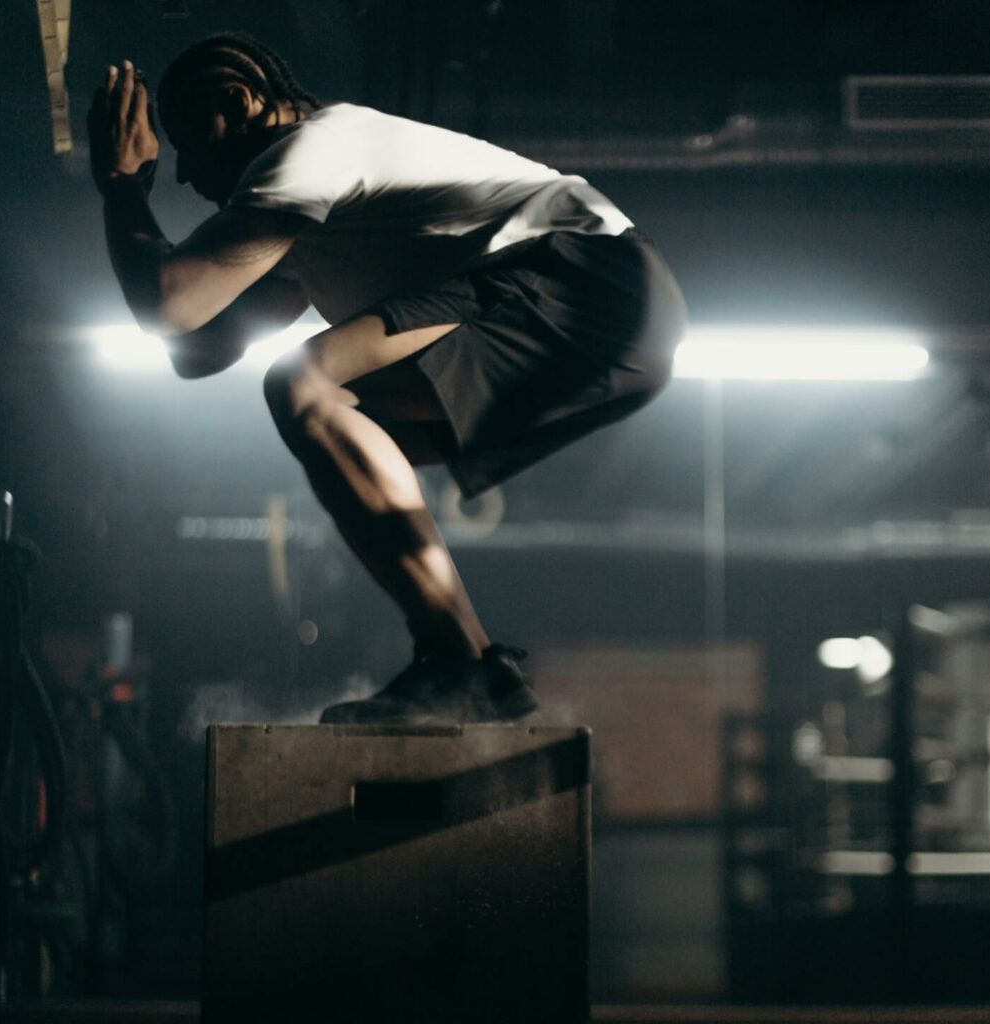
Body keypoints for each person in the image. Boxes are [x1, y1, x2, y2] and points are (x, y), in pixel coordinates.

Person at [88, 32, 687, 725]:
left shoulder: (310, 151)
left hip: (588, 279)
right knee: (337, 424)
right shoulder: (311, 223)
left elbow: (168, 305)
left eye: (190, 139)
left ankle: (460, 661)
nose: (186, 175)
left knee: (305, 381)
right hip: (615, 313)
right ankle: (464, 664)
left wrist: (124, 187)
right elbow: (197, 350)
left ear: (240, 101)